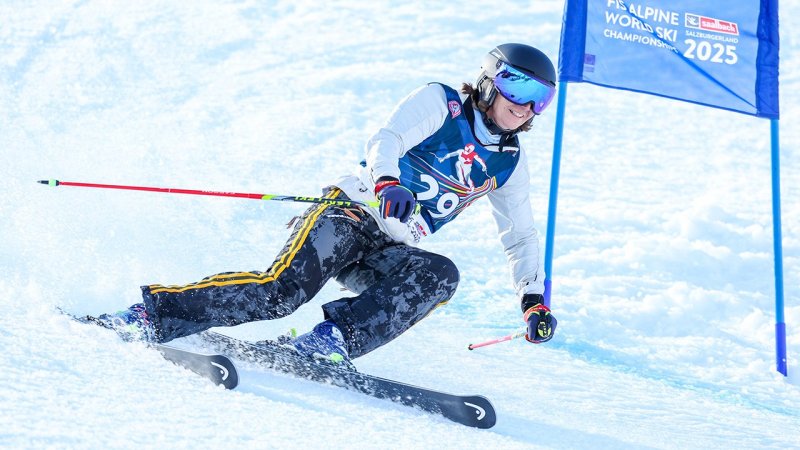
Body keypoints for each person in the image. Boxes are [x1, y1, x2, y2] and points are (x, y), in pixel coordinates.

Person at [98, 43, 558, 363]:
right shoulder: (443, 103)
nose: (525, 106)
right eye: (517, 88)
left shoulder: (509, 164)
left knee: (439, 274)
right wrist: (386, 182)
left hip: (390, 247)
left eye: (540, 98)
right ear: (487, 82)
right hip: (351, 213)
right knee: (279, 295)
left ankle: (328, 341)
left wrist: (532, 300)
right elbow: (388, 137)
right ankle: (152, 313)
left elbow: (520, 235)